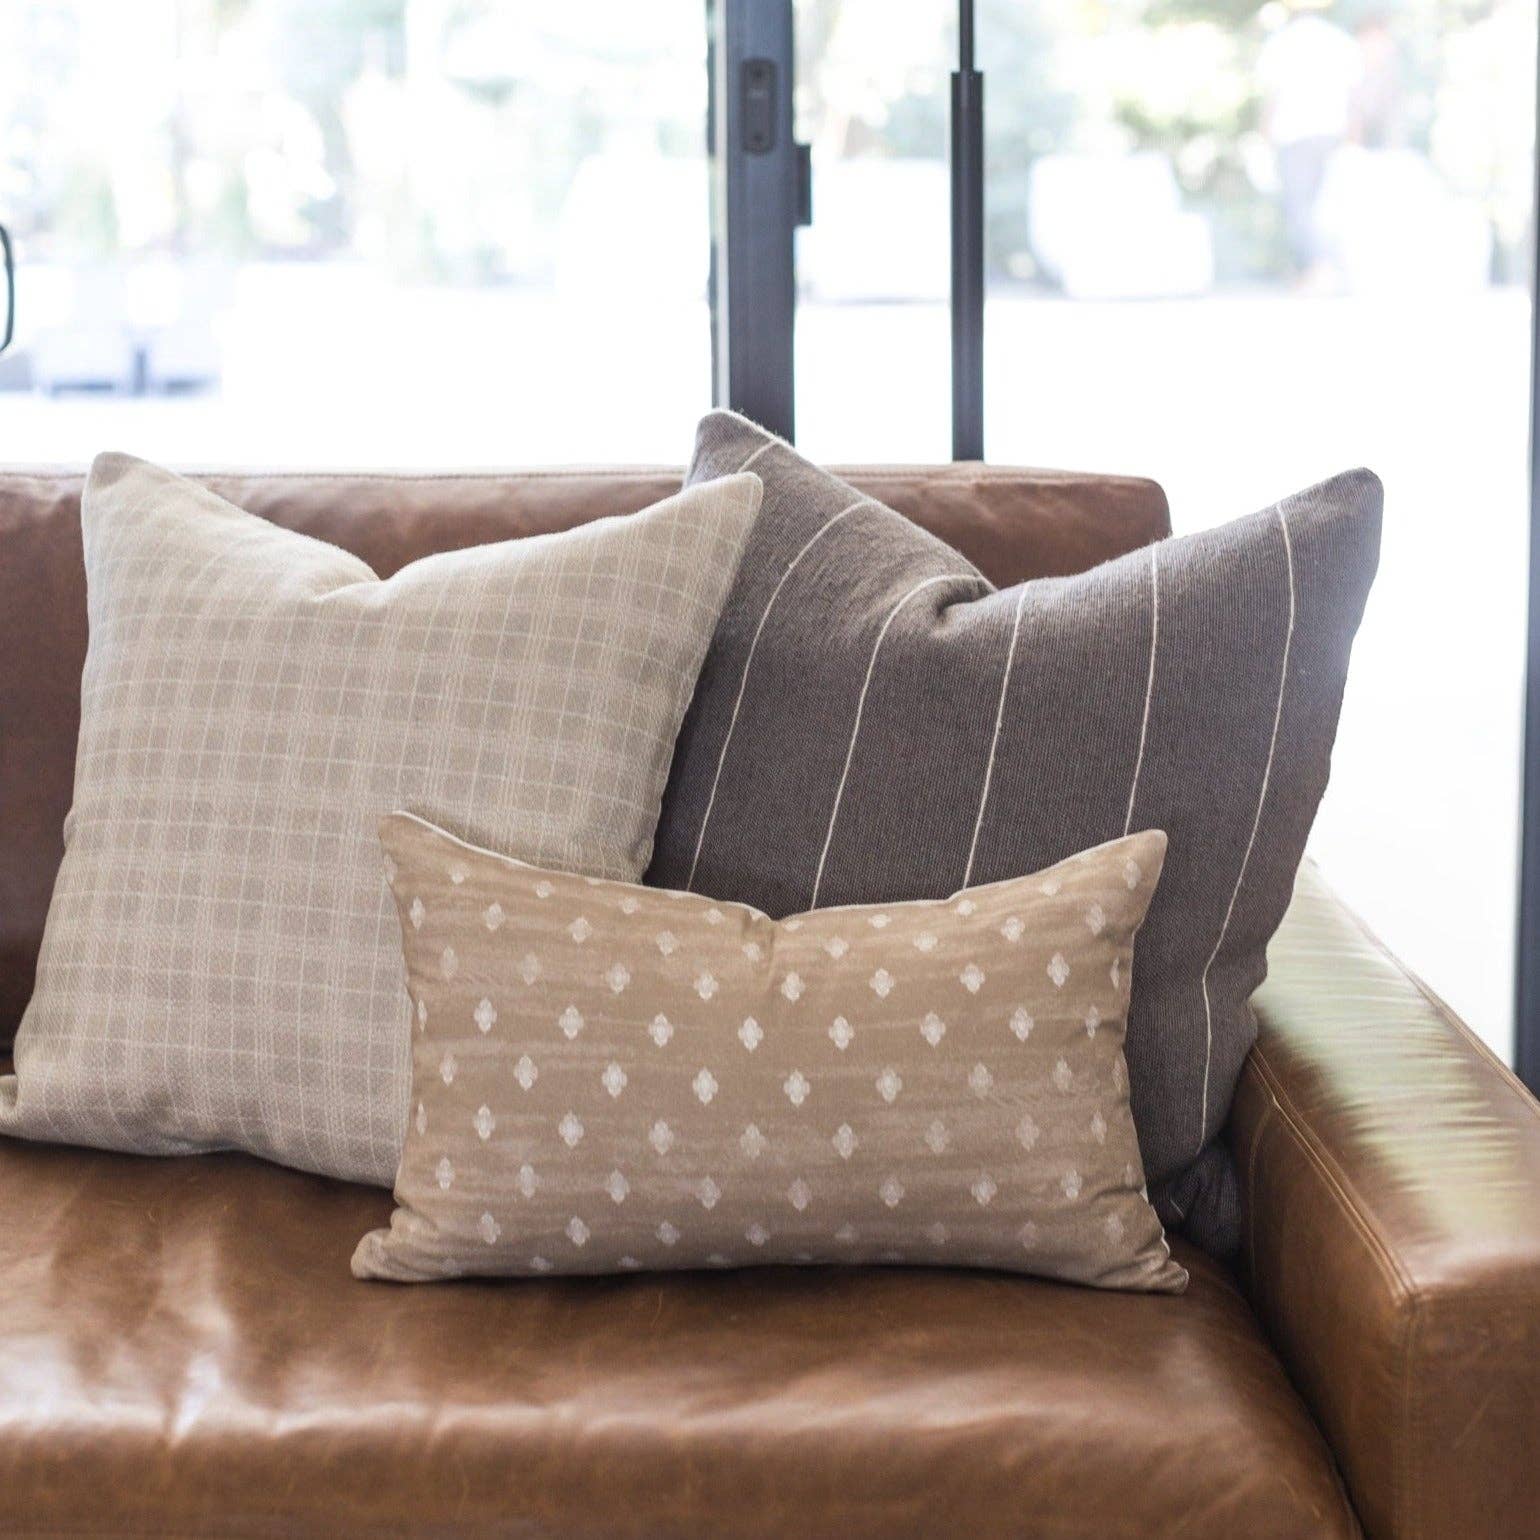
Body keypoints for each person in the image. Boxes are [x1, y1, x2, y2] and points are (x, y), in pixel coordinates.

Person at [1258, 0, 1362, 277]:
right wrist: (1354, 139)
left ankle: (1318, 270)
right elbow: (1354, 98)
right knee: (1329, 205)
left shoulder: (1281, 42)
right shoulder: (1340, 41)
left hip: (1293, 136)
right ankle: (1326, 269)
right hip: (1333, 134)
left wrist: (1264, 139)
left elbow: (1272, 98)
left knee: (1300, 206)